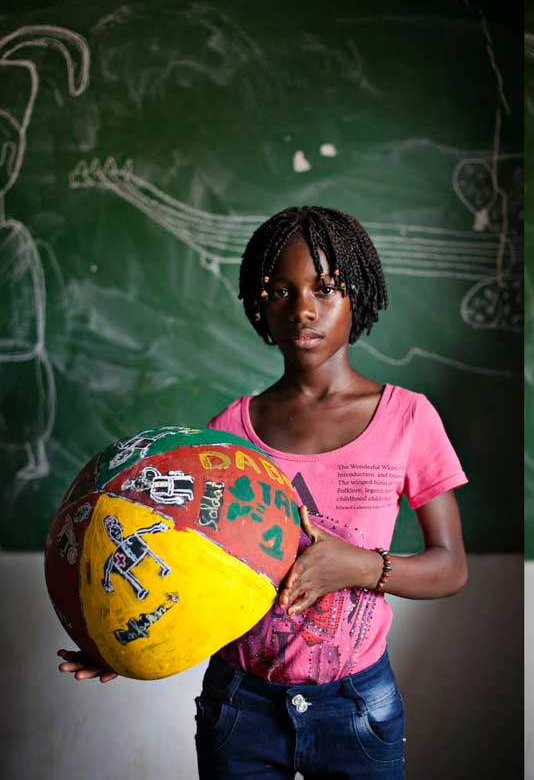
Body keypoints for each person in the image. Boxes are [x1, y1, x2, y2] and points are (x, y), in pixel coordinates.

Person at [59, 206, 469, 779]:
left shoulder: (407, 418)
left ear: (361, 298)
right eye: (279, 290)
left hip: (355, 706)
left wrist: (354, 566)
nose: (302, 308)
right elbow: (187, 564)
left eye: (326, 289)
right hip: (241, 705)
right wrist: (129, 632)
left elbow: (450, 569)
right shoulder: (229, 432)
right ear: (259, 304)